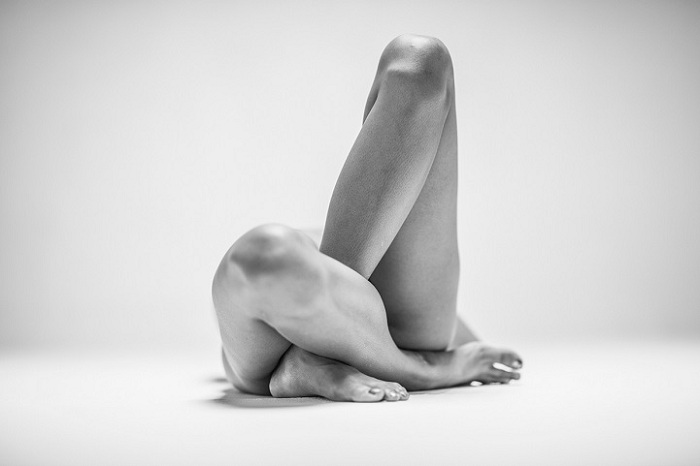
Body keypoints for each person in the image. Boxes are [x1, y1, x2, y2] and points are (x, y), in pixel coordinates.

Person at [212, 34, 523, 402]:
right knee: (265, 254)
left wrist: (464, 347)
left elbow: (460, 336)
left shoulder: (366, 258)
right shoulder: (297, 261)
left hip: (380, 325)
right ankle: (417, 370)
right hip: (281, 333)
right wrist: (444, 364)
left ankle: (315, 358)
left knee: (421, 59)